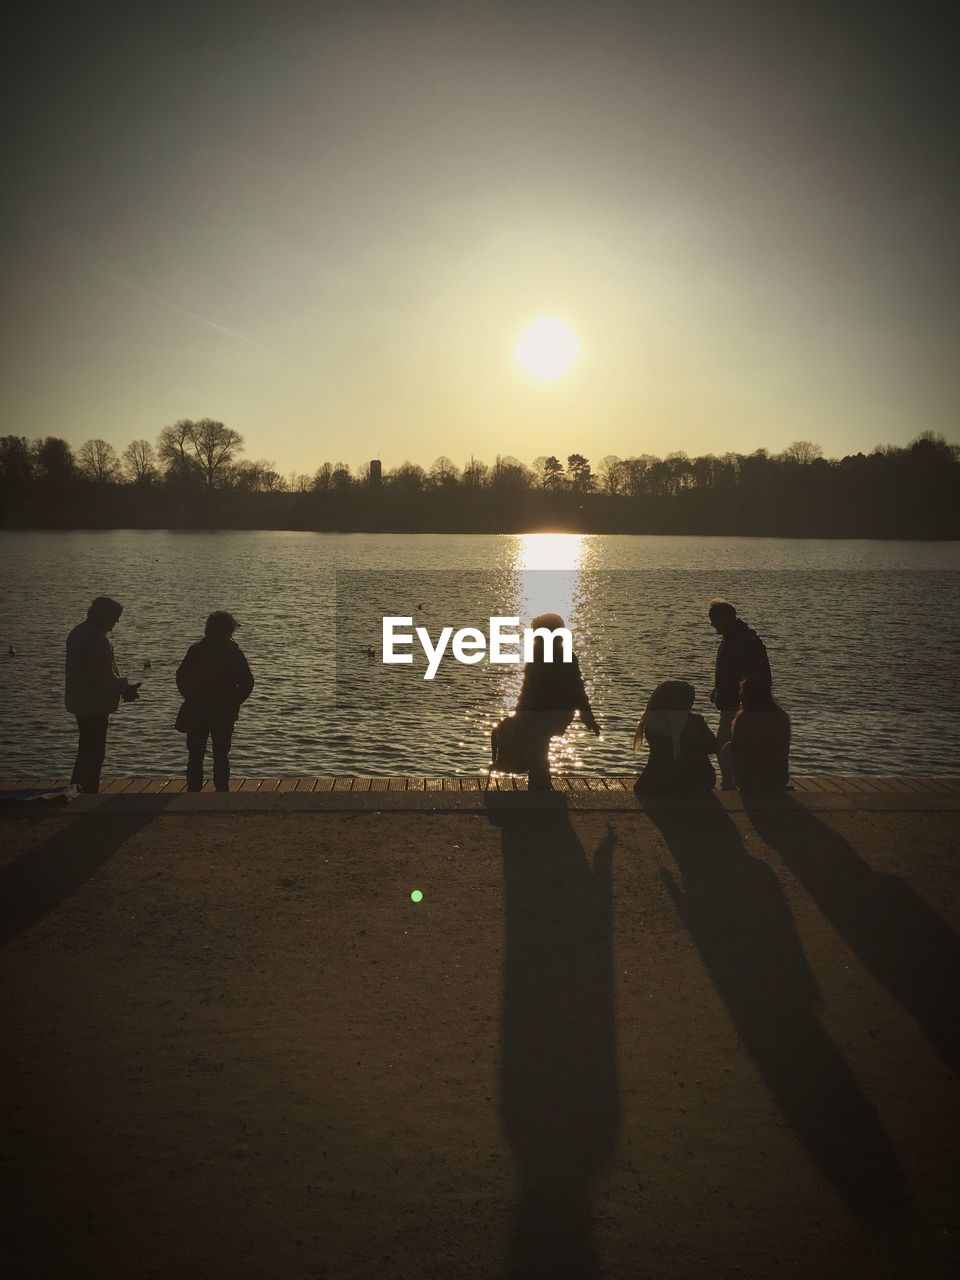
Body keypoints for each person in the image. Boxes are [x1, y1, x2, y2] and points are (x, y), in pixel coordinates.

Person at [492, 613, 601, 791]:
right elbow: (577, 689)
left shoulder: (537, 657)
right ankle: (540, 780)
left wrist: (519, 715)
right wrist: (587, 716)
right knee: (538, 741)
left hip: (545, 713)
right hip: (559, 713)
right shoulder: (565, 656)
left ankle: (539, 782)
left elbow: (529, 692)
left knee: (536, 737)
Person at [65, 596, 141, 793]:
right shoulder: (96, 639)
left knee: (86, 749)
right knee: (94, 751)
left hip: (81, 701)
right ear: (105, 616)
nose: (116, 623)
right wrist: (125, 688)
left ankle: (77, 787)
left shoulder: (78, 632)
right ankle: (87, 791)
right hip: (93, 705)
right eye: (115, 618)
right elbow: (104, 678)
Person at [175, 612, 254, 792]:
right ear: (229, 630)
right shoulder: (233, 652)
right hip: (223, 711)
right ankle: (221, 791)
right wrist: (234, 701)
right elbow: (247, 682)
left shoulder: (196, 650)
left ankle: (193, 791)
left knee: (195, 754)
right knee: (221, 754)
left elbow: (181, 676)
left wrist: (189, 696)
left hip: (197, 709)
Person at [708, 598, 772, 788]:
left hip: (736, 703)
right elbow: (732, 671)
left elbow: (746, 673)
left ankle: (730, 782)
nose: (712, 625)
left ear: (725, 619)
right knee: (735, 743)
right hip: (737, 700)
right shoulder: (739, 637)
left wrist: (741, 699)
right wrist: (717, 689)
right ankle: (739, 779)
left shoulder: (740, 641)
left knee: (722, 743)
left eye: (714, 620)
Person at [633, 680, 717, 796]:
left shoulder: (651, 724)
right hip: (697, 778)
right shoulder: (695, 722)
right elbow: (714, 746)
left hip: (659, 778)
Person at [721, 676, 791, 793]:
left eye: (742, 693)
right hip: (779, 780)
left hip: (751, 784)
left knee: (727, 748)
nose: (740, 696)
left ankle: (740, 784)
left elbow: (736, 746)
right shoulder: (782, 715)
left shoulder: (744, 717)